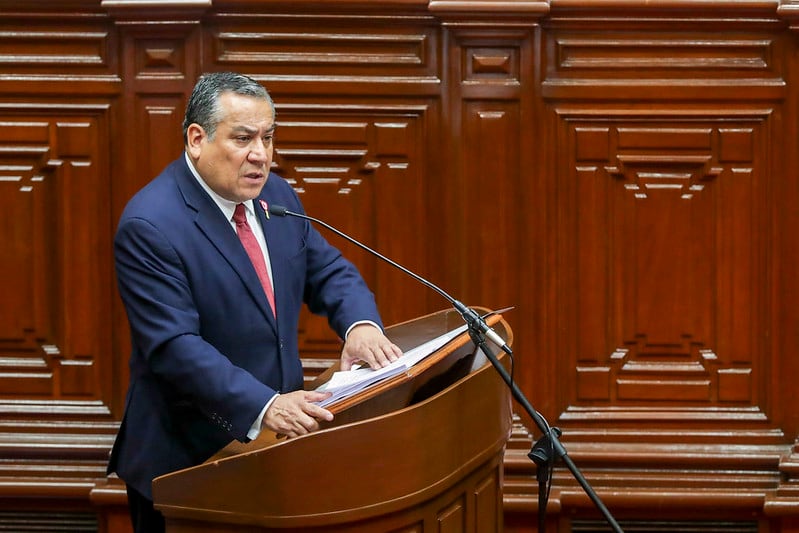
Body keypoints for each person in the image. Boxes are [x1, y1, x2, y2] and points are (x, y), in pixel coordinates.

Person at [106, 71, 403, 533]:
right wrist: (266, 405)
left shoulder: (274, 196)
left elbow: (326, 270)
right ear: (197, 138)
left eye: (267, 137)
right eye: (243, 138)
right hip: (190, 463)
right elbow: (174, 346)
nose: (261, 155)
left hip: (274, 452)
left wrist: (360, 324)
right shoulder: (151, 224)